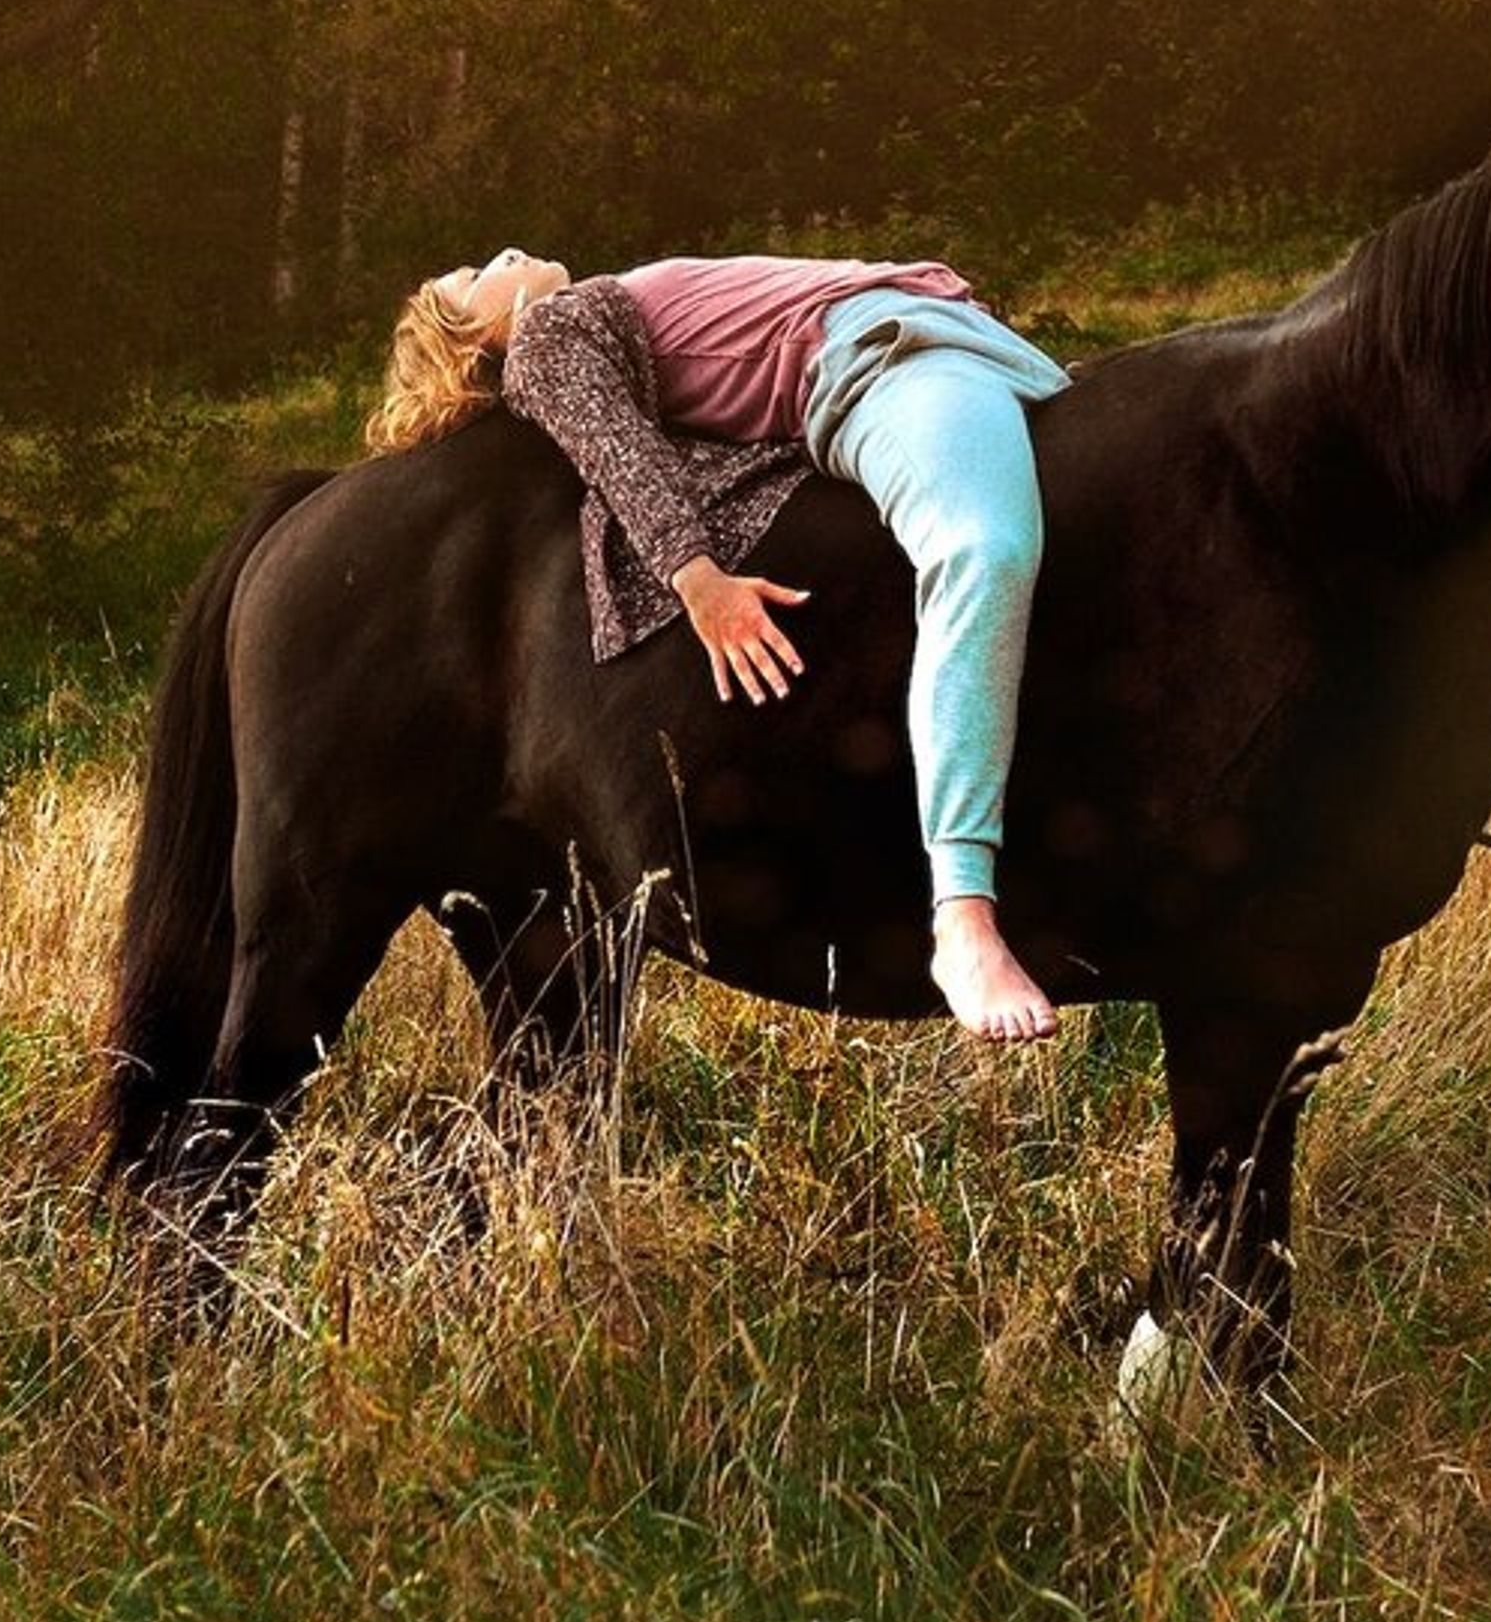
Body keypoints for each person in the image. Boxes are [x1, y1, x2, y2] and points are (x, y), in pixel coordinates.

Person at [364, 247, 1069, 1042]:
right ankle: (964, 915)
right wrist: (699, 582)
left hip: (971, 344)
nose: (505, 255)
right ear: (477, 338)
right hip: (887, 363)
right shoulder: (544, 337)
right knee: (980, 549)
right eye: (470, 277)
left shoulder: (595, 307)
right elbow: (619, 451)